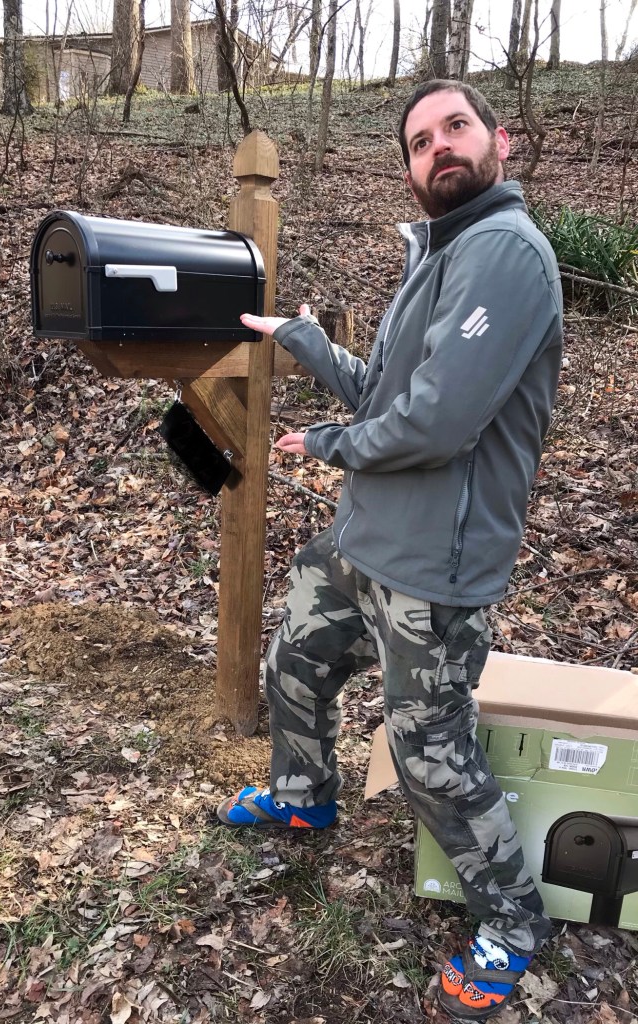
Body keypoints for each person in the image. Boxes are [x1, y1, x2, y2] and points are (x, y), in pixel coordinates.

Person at [217, 79, 564, 1021]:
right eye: (419, 141)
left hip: (435, 565)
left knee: (429, 754)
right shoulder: (440, 251)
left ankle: (512, 923)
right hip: (366, 539)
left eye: (456, 128)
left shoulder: (505, 252)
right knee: (295, 661)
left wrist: (331, 445)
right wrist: (304, 340)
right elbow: (388, 396)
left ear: (500, 142)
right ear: (410, 170)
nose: (438, 147)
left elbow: (438, 422)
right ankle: (303, 794)